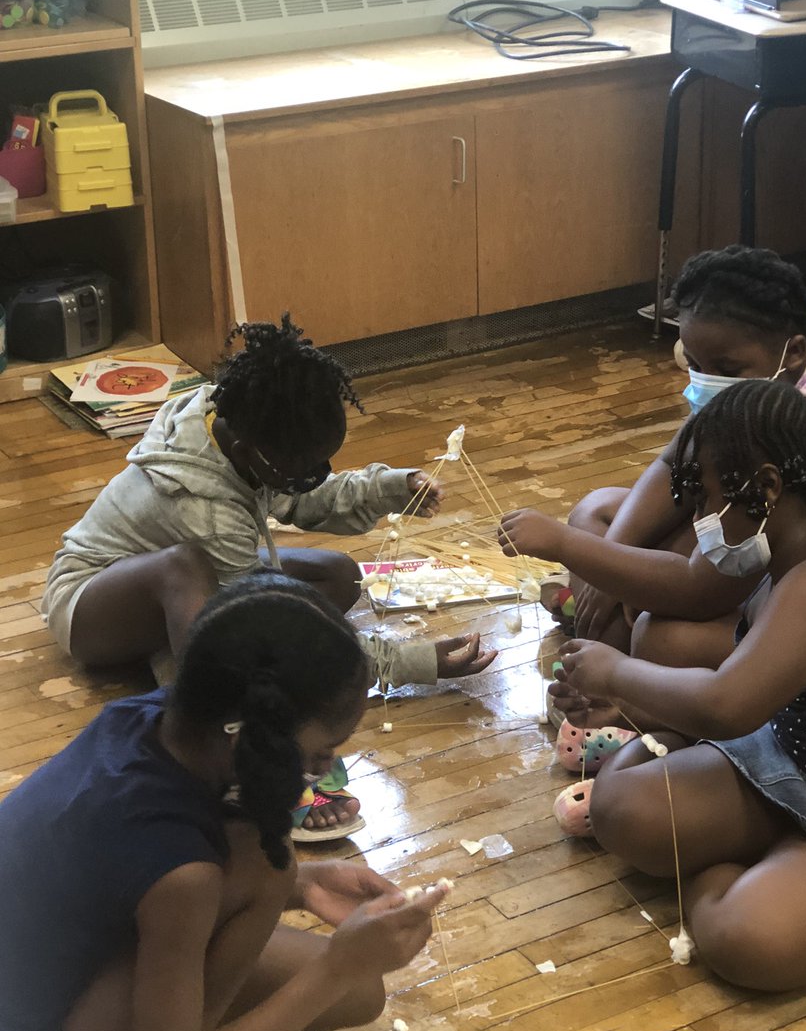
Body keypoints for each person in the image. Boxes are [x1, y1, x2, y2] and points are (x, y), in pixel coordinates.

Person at [0, 574, 451, 1031]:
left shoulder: (159, 717)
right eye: (317, 755)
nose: (319, 772)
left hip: (52, 982)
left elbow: (112, 877)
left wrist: (308, 883)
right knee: (283, 901)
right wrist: (332, 963)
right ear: (247, 735)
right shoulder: (185, 878)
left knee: (360, 994)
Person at [42, 315, 495, 839]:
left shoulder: (239, 423)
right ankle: (231, 740)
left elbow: (305, 498)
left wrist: (394, 488)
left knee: (340, 577)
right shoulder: (205, 506)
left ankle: (173, 646)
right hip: (86, 604)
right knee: (186, 573)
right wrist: (411, 660)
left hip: (170, 575)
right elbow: (259, 634)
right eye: (304, 464)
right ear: (255, 451)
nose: (316, 471)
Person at [548, 380, 806, 992]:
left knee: (747, 941)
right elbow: (733, 678)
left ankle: (772, 871)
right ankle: (773, 853)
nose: (700, 520)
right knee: (620, 809)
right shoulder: (773, 555)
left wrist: (616, 672)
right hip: (790, 752)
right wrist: (621, 694)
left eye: (707, 500)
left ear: (766, 488)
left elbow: (728, 703)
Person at [500, 245, 806, 746]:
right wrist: (610, 576)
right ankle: (603, 635)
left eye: (725, 366)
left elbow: (700, 588)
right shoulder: (781, 371)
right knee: (597, 513)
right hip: (762, 547)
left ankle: (632, 704)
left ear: (792, 352)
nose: (707, 378)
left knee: (659, 635)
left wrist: (572, 552)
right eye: (694, 362)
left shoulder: (804, 434)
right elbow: (677, 462)